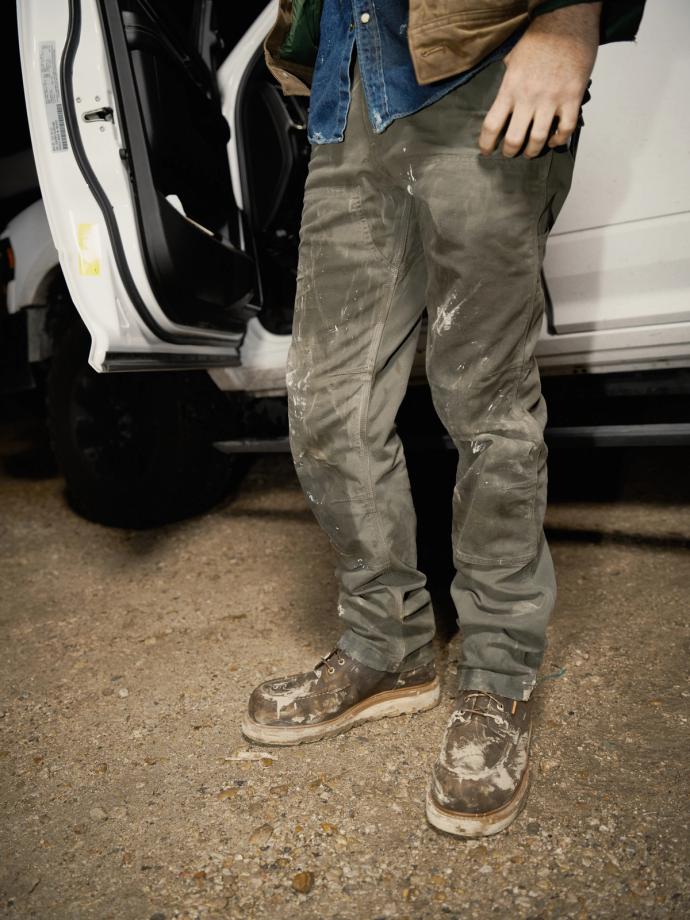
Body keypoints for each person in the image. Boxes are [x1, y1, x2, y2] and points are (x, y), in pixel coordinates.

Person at [241, 0, 646, 838]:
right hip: (347, 96)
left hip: (484, 70)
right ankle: (386, 647)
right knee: (325, 406)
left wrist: (569, 22)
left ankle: (498, 674)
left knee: (484, 399)